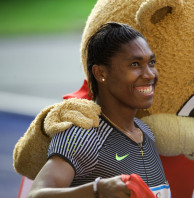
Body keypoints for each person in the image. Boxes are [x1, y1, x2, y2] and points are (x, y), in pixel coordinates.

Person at [27, 22, 170, 198]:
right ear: (101, 73)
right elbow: (35, 195)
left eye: (152, 62)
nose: (149, 74)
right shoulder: (83, 135)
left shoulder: (145, 132)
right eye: (134, 64)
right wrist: (97, 190)